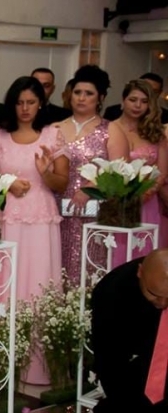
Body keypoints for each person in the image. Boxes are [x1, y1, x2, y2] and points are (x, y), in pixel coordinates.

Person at [0, 76, 68, 385]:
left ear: (41, 104)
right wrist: (7, 182)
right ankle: (3, 363)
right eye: (20, 102)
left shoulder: (52, 135)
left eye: (31, 102)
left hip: (41, 219)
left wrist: (46, 173)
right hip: (8, 218)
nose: (25, 108)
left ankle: (38, 366)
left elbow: (61, 184)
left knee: (38, 284)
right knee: (6, 286)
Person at [92, 250, 168, 413]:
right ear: (140, 272)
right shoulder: (112, 293)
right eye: (154, 294)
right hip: (134, 378)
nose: (162, 303)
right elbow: (110, 365)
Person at [55, 65, 126, 285]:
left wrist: (89, 189)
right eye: (77, 92)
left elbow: (119, 170)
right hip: (59, 210)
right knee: (58, 267)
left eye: (89, 94)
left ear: (101, 97)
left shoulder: (110, 130)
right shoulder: (55, 127)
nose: (81, 98)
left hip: (94, 213)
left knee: (91, 268)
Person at [109, 79, 168, 261]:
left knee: (146, 255)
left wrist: (146, 194)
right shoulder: (109, 128)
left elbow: (162, 172)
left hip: (149, 203)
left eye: (144, 101)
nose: (138, 105)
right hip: (118, 202)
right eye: (133, 99)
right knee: (117, 253)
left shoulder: (155, 133)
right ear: (123, 100)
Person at [103, 72, 168, 124]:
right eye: (133, 100)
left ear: (160, 93)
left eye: (154, 91)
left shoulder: (165, 117)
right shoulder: (113, 112)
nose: (138, 105)